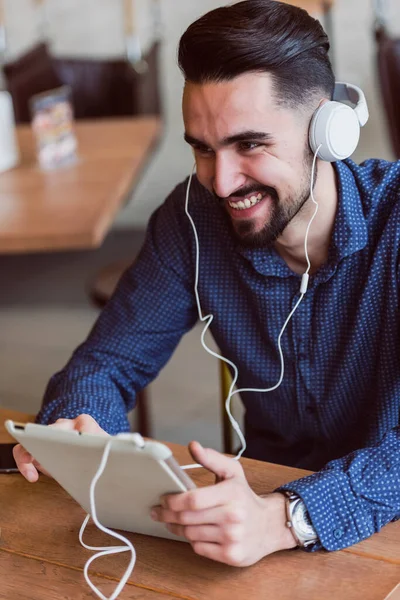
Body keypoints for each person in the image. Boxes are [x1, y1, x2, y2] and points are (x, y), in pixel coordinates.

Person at [14, 0, 400, 567]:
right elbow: (105, 364)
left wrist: (291, 516)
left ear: (328, 131)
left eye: (250, 144)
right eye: (202, 148)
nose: (221, 182)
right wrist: (83, 425)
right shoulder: (191, 220)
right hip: (256, 512)